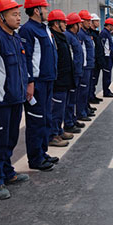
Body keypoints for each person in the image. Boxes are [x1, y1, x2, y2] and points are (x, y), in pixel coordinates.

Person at [0, 0, 39, 202]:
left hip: (16, 98)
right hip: (0, 101)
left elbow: (23, 65)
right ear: (1, 17)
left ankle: (7, 172)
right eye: (14, 14)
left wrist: (28, 84)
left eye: (18, 14)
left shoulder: (15, 38)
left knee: (10, 139)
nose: (18, 18)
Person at [19, 0, 63, 167]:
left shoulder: (44, 28)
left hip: (48, 80)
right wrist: (29, 82)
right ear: (37, 10)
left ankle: (43, 153)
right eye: (44, 8)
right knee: (36, 120)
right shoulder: (28, 30)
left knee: (45, 118)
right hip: (37, 83)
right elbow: (27, 58)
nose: (47, 11)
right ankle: (35, 159)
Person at [47, 10, 75, 146]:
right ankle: (53, 135)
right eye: (63, 22)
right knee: (56, 109)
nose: (65, 24)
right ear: (56, 23)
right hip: (58, 80)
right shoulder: (53, 38)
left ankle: (59, 130)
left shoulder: (61, 36)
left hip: (65, 78)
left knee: (61, 108)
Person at [65, 12, 86, 133]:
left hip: (77, 71)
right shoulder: (68, 36)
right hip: (72, 73)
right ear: (74, 25)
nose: (80, 26)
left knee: (73, 98)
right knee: (70, 100)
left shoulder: (74, 36)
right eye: (79, 24)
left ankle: (72, 119)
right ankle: (68, 122)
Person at [76, 10, 96, 120]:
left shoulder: (86, 33)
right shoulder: (80, 34)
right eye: (87, 20)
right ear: (81, 21)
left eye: (90, 20)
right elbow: (81, 52)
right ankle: (81, 112)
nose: (89, 22)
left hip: (89, 65)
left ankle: (85, 109)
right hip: (84, 66)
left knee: (86, 90)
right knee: (82, 91)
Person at [89, 13, 104, 104]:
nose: (98, 23)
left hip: (97, 61)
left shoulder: (95, 33)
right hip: (94, 61)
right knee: (92, 80)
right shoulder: (90, 34)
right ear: (91, 22)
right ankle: (90, 97)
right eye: (96, 21)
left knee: (95, 80)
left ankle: (93, 95)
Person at [100, 18, 113, 97]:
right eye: (112, 26)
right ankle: (106, 91)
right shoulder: (104, 33)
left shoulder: (107, 33)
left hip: (109, 56)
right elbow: (104, 46)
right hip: (106, 57)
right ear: (109, 25)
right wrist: (106, 56)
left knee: (108, 74)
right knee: (107, 74)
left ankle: (107, 90)